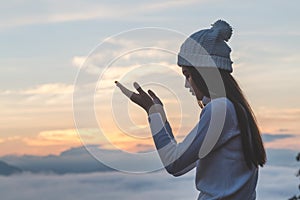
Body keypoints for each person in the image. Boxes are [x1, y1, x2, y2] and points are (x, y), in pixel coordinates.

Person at [115, 20, 266, 200]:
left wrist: (153, 112)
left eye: (187, 74)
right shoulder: (236, 109)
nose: (187, 84)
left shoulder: (220, 109)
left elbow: (174, 164)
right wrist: (157, 113)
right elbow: (182, 164)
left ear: (203, 72)